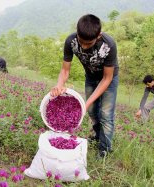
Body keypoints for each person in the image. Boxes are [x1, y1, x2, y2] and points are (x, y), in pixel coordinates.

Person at [50, 14, 119, 159]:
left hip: (108, 79)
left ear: (98, 35)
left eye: (89, 43)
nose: (84, 46)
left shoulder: (109, 45)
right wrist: (59, 85)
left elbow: (107, 78)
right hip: (91, 77)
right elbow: (65, 70)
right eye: (82, 42)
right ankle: (97, 136)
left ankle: (104, 149)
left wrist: (86, 103)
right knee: (93, 112)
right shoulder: (71, 41)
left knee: (106, 114)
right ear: (77, 33)